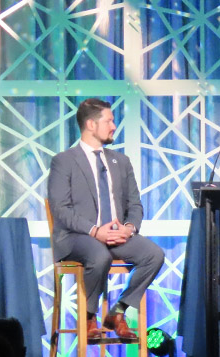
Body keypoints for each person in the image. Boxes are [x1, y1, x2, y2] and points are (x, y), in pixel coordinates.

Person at [47, 98, 164, 340]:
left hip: (115, 235)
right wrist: (94, 231)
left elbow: (135, 204)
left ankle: (117, 313)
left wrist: (129, 228)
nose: (114, 126)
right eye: (109, 120)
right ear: (91, 124)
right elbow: (61, 209)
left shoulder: (120, 161)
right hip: (76, 237)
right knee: (98, 255)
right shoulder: (64, 161)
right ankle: (89, 317)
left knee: (154, 255)